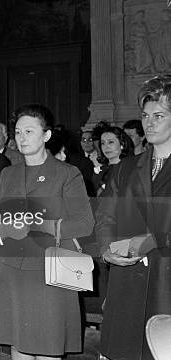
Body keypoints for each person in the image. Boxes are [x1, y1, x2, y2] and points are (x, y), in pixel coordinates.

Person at [0, 104, 94, 359]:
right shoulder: (8, 173)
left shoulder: (67, 173)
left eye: (29, 132)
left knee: (48, 347)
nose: (22, 138)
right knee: (17, 344)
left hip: (50, 268)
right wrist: (7, 227)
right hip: (12, 267)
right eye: (19, 132)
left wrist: (38, 224)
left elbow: (85, 223)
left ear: (46, 135)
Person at [95, 75, 171, 360]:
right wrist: (107, 249)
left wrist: (151, 240)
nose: (149, 123)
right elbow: (105, 218)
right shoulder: (126, 168)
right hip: (126, 283)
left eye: (159, 115)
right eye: (145, 115)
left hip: (166, 283)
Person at [92, 126, 133, 196]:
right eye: (103, 143)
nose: (106, 147)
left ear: (122, 144)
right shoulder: (99, 171)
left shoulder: (131, 169)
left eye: (110, 142)